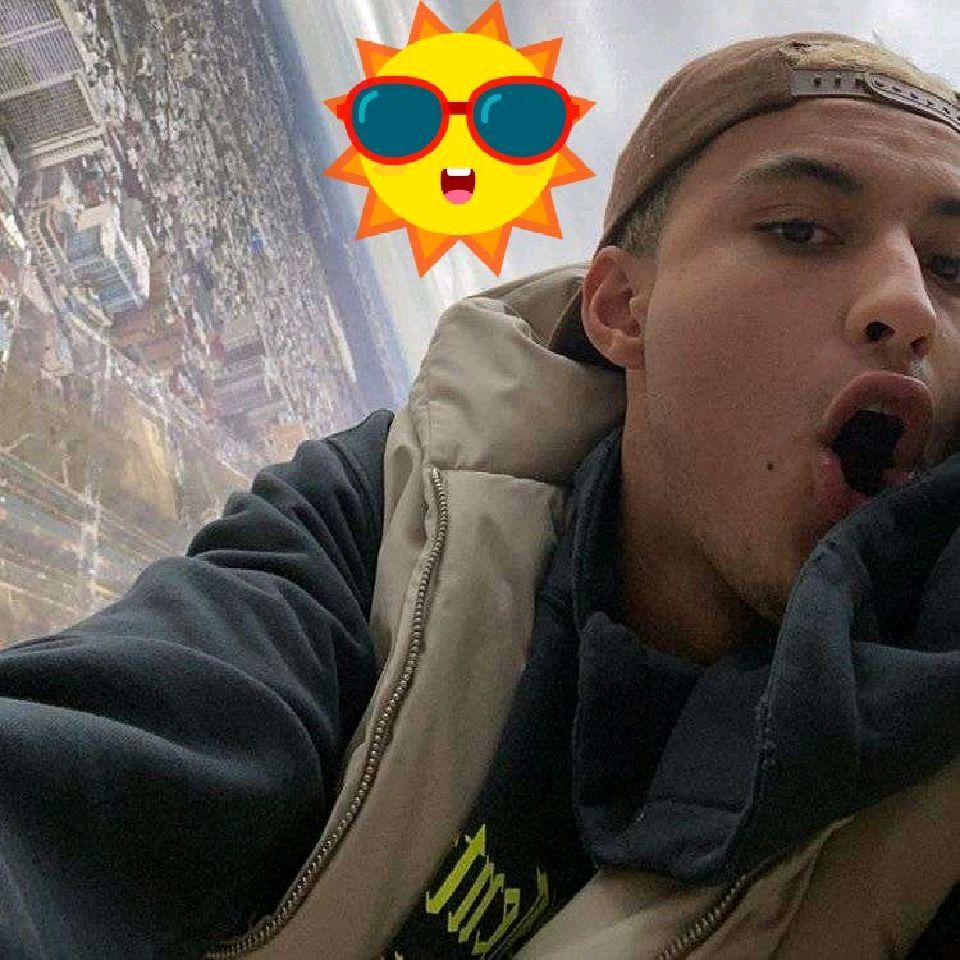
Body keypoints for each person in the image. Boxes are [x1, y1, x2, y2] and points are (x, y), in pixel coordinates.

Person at [1, 31, 958, 960]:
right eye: (799, 231)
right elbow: (82, 783)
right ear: (623, 309)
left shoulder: (932, 816)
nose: (907, 302)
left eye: (953, 267)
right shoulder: (390, 523)